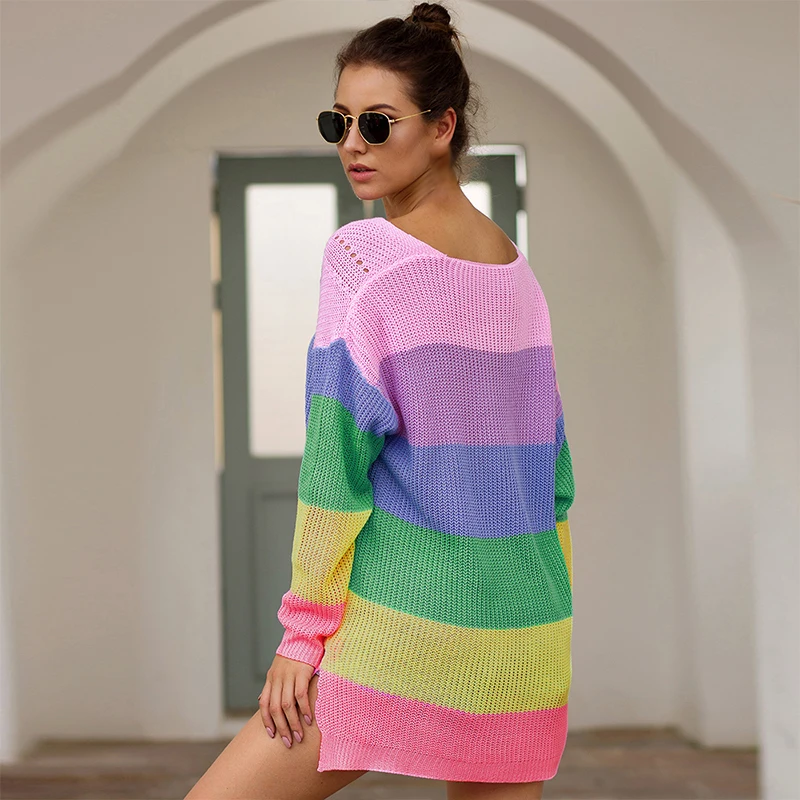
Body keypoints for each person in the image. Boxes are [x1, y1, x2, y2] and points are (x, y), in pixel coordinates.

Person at [184, 3, 575, 799]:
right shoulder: (517, 273)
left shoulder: (364, 257)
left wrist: (302, 638)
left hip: (406, 628)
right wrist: (537, 618)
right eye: (339, 122)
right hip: (526, 633)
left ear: (442, 126)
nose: (351, 144)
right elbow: (555, 478)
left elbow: (334, 469)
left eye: (377, 123)